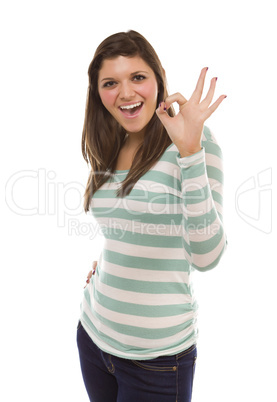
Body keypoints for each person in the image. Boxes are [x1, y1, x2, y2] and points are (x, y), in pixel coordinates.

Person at [77, 30, 227, 402]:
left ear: (158, 79)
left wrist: (190, 151)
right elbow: (123, 224)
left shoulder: (194, 140)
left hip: (158, 359)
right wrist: (113, 266)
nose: (125, 93)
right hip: (95, 334)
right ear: (98, 93)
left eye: (138, 77)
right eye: (110, 83)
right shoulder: (112, 140)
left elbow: (208, 256)